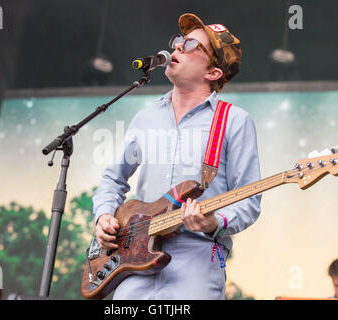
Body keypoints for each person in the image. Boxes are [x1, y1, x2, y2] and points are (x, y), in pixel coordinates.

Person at [92, 13, 261, 299]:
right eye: (179, 41)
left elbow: (249, 199)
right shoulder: (146, 117)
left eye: (193, 45)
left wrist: (213, 222)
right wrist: (104, 216)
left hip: (197, 258)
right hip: (132, 261)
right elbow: (113, 178)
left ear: (213, 73)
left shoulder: (234, 121)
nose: (179, 47)